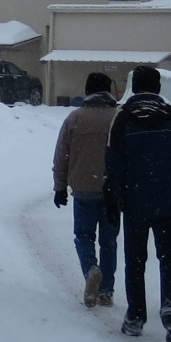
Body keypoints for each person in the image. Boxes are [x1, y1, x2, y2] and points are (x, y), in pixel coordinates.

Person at [107, 64, 171, 340]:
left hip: (135, 201)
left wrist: (117, 196)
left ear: (135, 87)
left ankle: (135, 316)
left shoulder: (123, 119)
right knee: (169, 258)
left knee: (135, 260)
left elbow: (114, 163)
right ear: (158, 88)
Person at [55, 71, 121, 306]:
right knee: (109, 241)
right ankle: (106, 290)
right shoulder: (118, 118)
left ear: (87, 90)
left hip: (83, 189)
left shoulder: (75, 118)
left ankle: (90, 269)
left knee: (83, 236)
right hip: (112, 190)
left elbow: (62, 155)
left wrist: (60, 187)